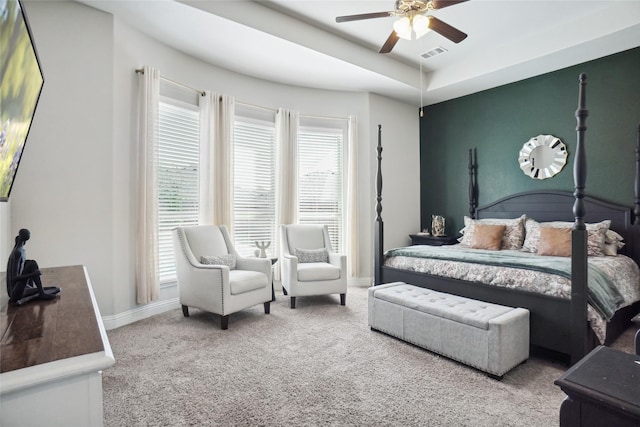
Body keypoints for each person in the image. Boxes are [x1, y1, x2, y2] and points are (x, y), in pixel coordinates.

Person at [6, 229, 60, 305]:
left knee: (56, 289)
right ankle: (37, 295)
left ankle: (38, 293)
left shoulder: (20, 249)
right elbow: (14, 278)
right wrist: (33, 275)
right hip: (14, 293)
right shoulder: (17, 252)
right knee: (32, 264)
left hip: (21, 288)